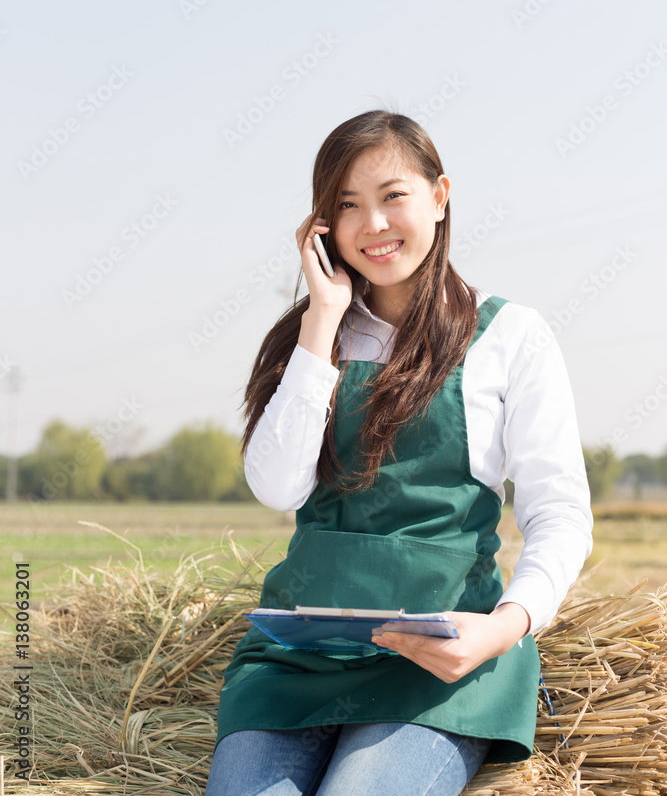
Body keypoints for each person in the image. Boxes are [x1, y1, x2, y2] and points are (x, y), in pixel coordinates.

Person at [204, 110, 593, 796]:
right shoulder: (311, 339)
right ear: (321, 227)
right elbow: (277, 487)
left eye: (392, 196)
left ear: (439, 197)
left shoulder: (509, 336)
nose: (373, 224)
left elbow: (558, 511)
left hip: (442, 661)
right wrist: (321, 316)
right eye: (346, 206)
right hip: (299, 658)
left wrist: (503, 630)